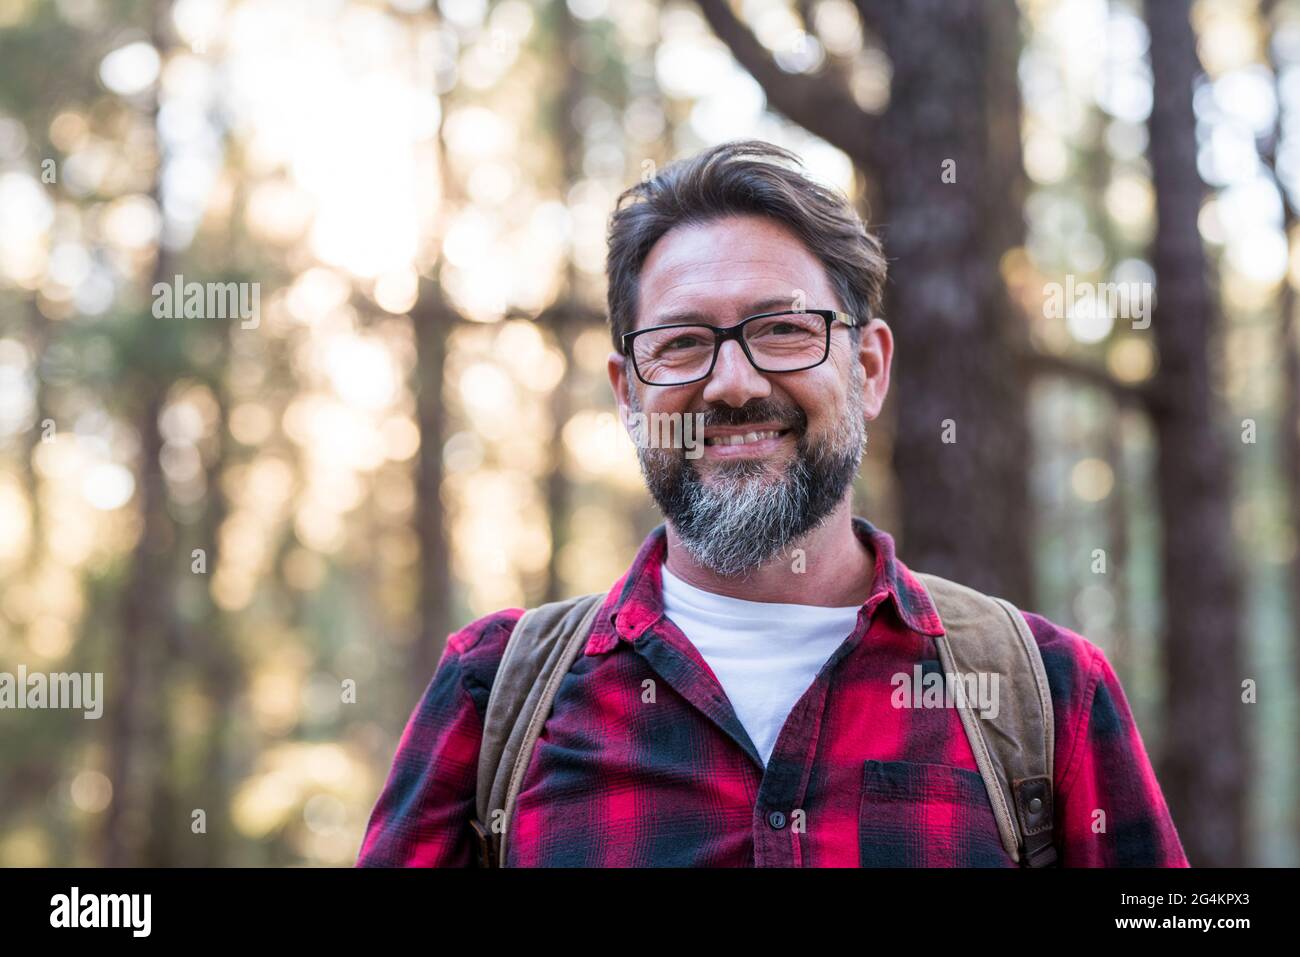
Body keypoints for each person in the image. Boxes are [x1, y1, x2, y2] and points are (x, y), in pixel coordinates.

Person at [356, 139, 1188, 867]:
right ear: (626, 392)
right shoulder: (493, 694)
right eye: (681, 343)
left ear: (867, 368)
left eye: (784, 330)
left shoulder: (1045, 693)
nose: (733, 384)